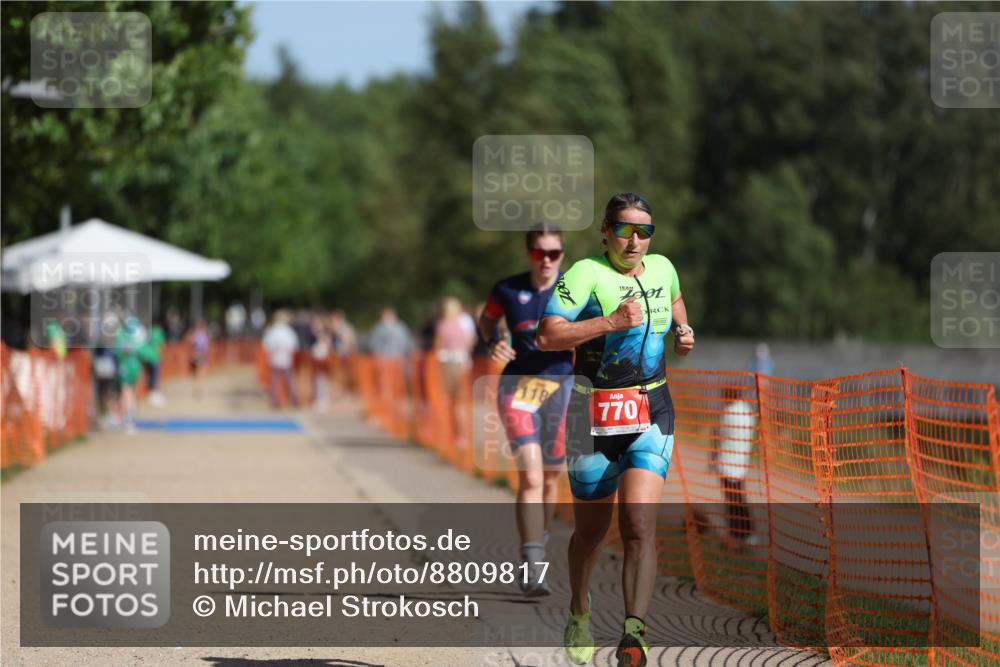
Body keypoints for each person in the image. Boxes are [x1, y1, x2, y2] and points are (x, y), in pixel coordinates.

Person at [537, 192, 695, 667]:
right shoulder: (586, 274)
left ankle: (634, 635)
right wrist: (609, 322)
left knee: (638, 525)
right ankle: (579, 609)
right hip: (593, 417)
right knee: (590, 533)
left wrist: (684, 334)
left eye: (644, 231)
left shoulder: (664, 268)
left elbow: (676, 299)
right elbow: (546, 336)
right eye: (625, 229)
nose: (634, 241)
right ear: (606, 229)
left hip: (653, 410)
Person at [478, 222, 574, 597]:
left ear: (561, 255)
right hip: (517, 386)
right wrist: (494, 341)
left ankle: (539, 541)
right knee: (532, 477)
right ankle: (533, 563)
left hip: (561, 386)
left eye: (554, 253)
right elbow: (487, 320)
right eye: (539, 252)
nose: (546, 260)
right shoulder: (507, 289)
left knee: (550, 479)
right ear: (528, 253)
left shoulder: (574, 292)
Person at [712, 386, 759, 551]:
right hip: (741, 461)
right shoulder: (747, 411)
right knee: (738, 499)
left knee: (733, 502)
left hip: (727, 462)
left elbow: (718, 435)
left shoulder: (729, 412)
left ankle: (738, 534)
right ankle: (743, 533)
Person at [434, 297, 477, 447]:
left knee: (450, 400)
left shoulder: (444, 325)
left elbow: (438, 346)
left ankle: (452, 434)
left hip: (450, 364)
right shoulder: (462, 325)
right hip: (462, 363)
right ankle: (461, 436)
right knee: (459, 402)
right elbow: (470, 342)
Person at [114, 316, 148, 434]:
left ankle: (128, 419)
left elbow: (124, 351)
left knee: (127, 392)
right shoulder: (138, 338)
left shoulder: (123, 337)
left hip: (127, 368)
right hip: (135, 367)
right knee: (131, 393)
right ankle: (127, 417)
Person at [262, 310, 300, 408]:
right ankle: (295, 399)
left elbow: (266, 344)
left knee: (276, 379)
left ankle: (276, 400)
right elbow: (294, 345)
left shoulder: (273, 330)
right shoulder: (288, 330)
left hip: (276, 357)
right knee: (289, 379)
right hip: (285, 357)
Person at [138, 323, 166, 407]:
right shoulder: (158, 332)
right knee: (155, 376)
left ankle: (149, 394)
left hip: (146, 357)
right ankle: (153, 394)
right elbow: (161, 345)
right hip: (154, 358)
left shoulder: (146, 332)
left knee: (147, 376)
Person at [187, 320, 211, 397]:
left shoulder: (196, 334)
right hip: (200, 354)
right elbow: (206, 346)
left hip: (197, 354)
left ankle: (198, 387)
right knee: (201, 371)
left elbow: (191, 342)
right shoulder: (203, 334)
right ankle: (199, 387)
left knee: (198, 371)